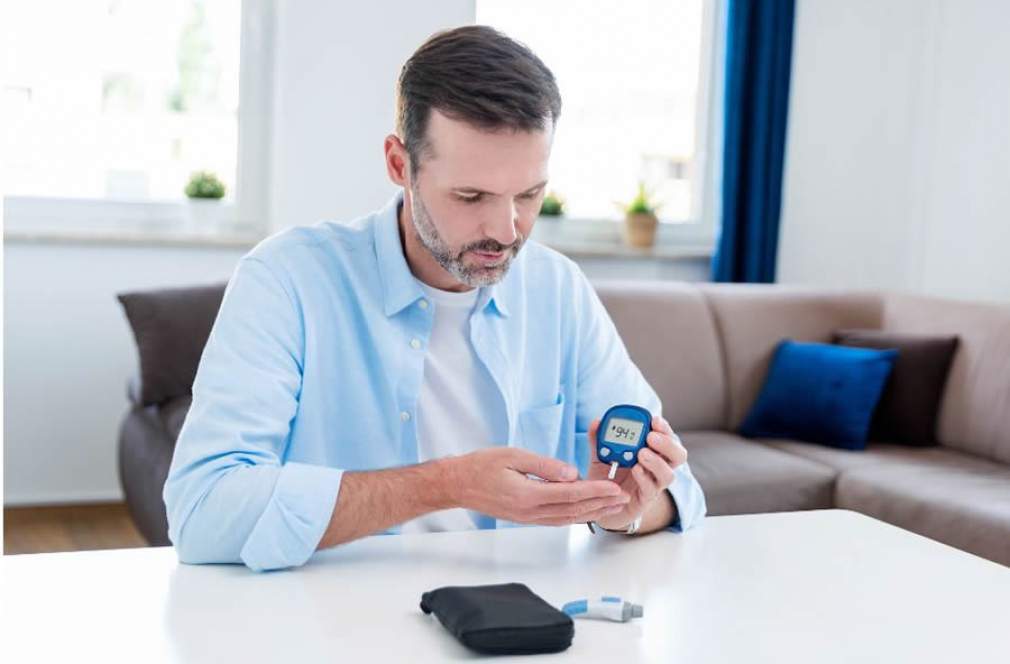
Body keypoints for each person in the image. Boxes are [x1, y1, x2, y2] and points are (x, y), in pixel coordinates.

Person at [163, 25, 706, 572]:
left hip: (514, 612)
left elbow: (679, 492)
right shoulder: (287, 279)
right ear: (400, 165)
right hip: (329, 611)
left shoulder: (558, 289)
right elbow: (203, 511)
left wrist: (622, 511)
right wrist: (447, 485)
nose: (506, 230)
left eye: (529, 194)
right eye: (471, 196)